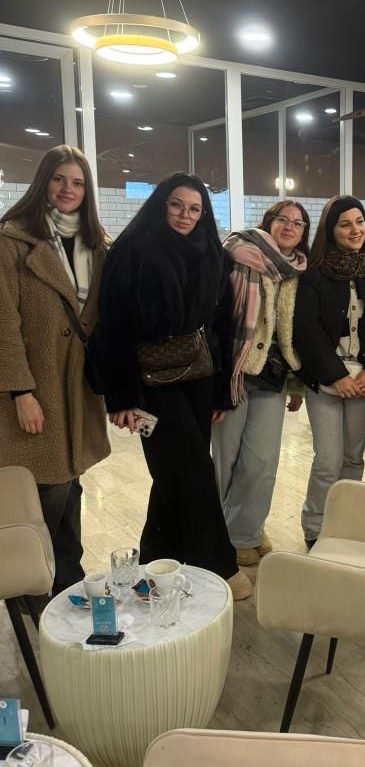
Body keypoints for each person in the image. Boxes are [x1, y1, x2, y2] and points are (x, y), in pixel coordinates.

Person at [96, 173, 251, 600]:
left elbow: (221, 325)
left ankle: (156, 560)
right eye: (177, 205)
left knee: (174, 473)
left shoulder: (212, 254)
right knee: (193, 471)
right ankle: (217, 565)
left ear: (204, 214)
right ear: (161, 205)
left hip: (198, 376)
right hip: (148, 384)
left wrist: (221, 391)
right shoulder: (132, 251)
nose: (185, 215)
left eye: (195, 208)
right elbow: (113, 328)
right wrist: (121, 398)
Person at [0, 145, 110, 596]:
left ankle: (67, 579)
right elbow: (4, 321)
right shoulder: (13, 240)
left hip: (76, 385)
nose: (68, 189)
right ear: (43, 182)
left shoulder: (95, 245)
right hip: (36, 383)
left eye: (78, 182)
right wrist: (20, 391)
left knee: (71, 483)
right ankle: (32, 584)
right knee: (45, 488)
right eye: (60, 179)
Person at [294, 195, 365, 548]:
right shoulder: (313, 275)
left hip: (364, 380)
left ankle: (346, 523)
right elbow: (306, 330)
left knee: (353, 458)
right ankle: (316, 526)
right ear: (331, 230)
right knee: (328, 460)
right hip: (325, 381)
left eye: (359, 222)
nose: (355, 230)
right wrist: (335, 375)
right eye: (345, 224)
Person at [211, 200, 309, 567]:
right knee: (226, 459)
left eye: (298, 223)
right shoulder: (238, 252)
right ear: (269, 222)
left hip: (273, 375)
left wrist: (297, 385)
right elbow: (218, 315)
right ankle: (215, 532)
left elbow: (295, 331)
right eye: (283, 219)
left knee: (262, 460)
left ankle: (245, 530)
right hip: (234, 371)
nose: (289, 226)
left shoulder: (298, 269)